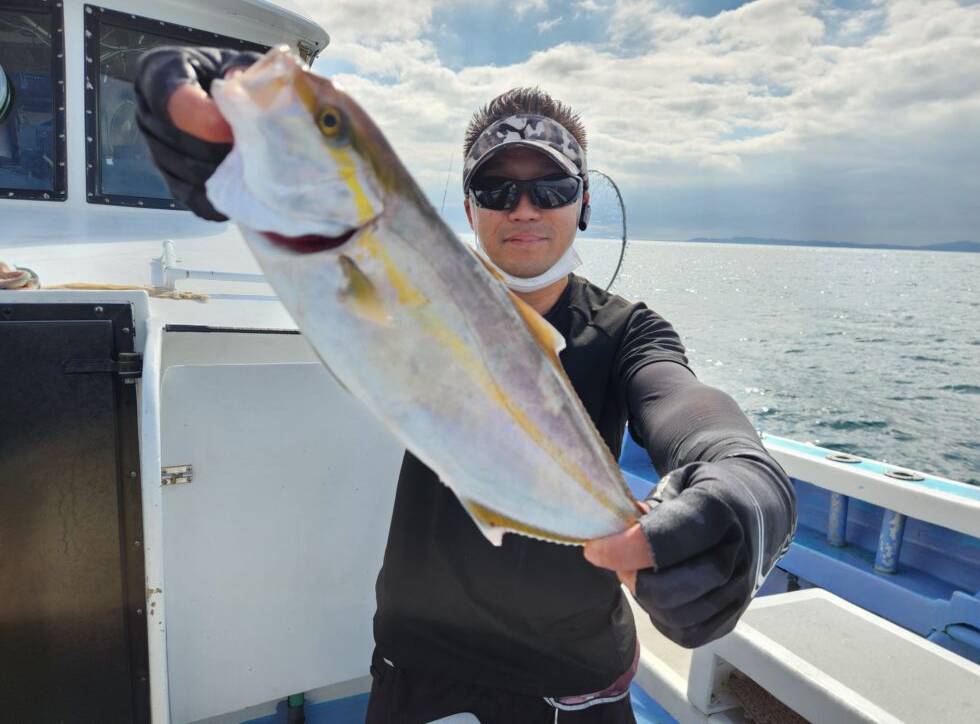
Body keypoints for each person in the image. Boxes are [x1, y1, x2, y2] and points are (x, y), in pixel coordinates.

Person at [135, 48, 797, 724]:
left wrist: (746, 484)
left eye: (553, 188)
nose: (525, 209)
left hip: (575, 680)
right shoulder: (393, 272)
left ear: (585, 203)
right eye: (497, 189)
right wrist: (224, 114)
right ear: (468, 204)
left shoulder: (628, 330)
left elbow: (689, 408)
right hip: (417, 664)